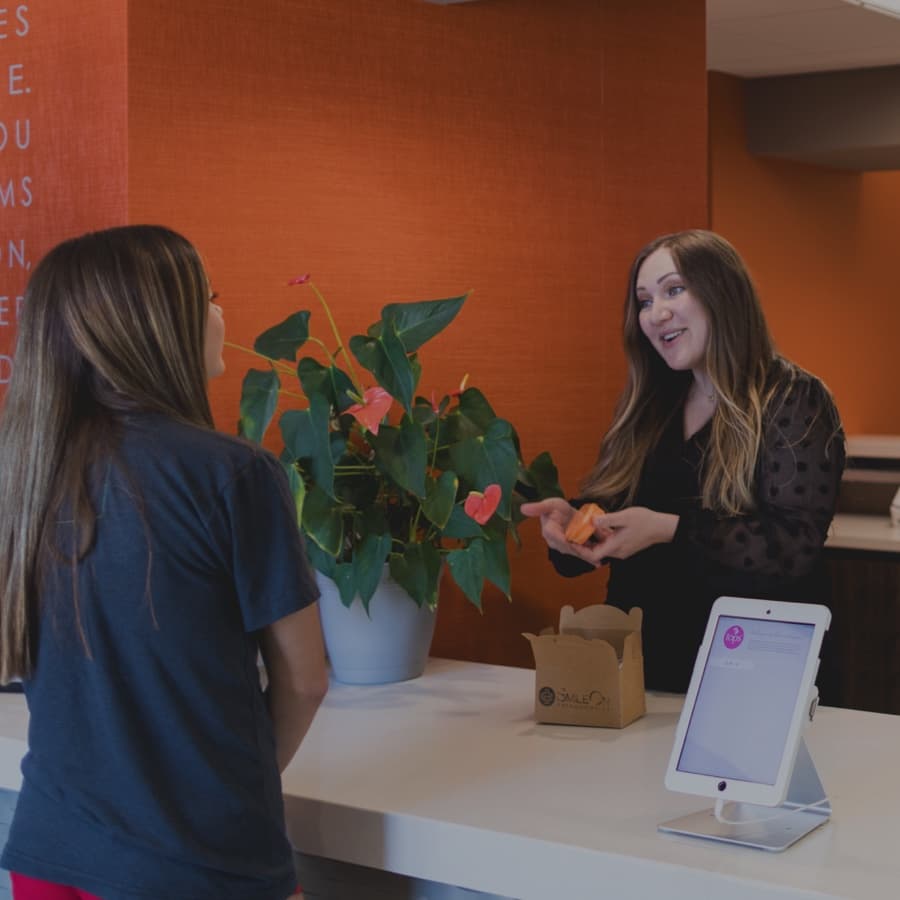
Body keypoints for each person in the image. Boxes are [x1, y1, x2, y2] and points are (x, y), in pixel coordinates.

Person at [0, 225, 328, 900]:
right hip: (199, 865)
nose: (220, 313)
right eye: (208, 295)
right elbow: (304, 682)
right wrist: (230, 795)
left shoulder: (22, 477)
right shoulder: (236, 475)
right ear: (155, 324)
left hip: (47, 857)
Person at [522, 229, 845, 696]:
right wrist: (575, 528)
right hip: (645, 674)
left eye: (674, 290)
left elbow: (792, 548)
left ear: (723, 293)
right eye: (645, 300)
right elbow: (613, 514)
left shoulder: (793, 398)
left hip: (751, 677)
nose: (657, 313)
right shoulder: (650, 404)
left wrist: (667, 529)